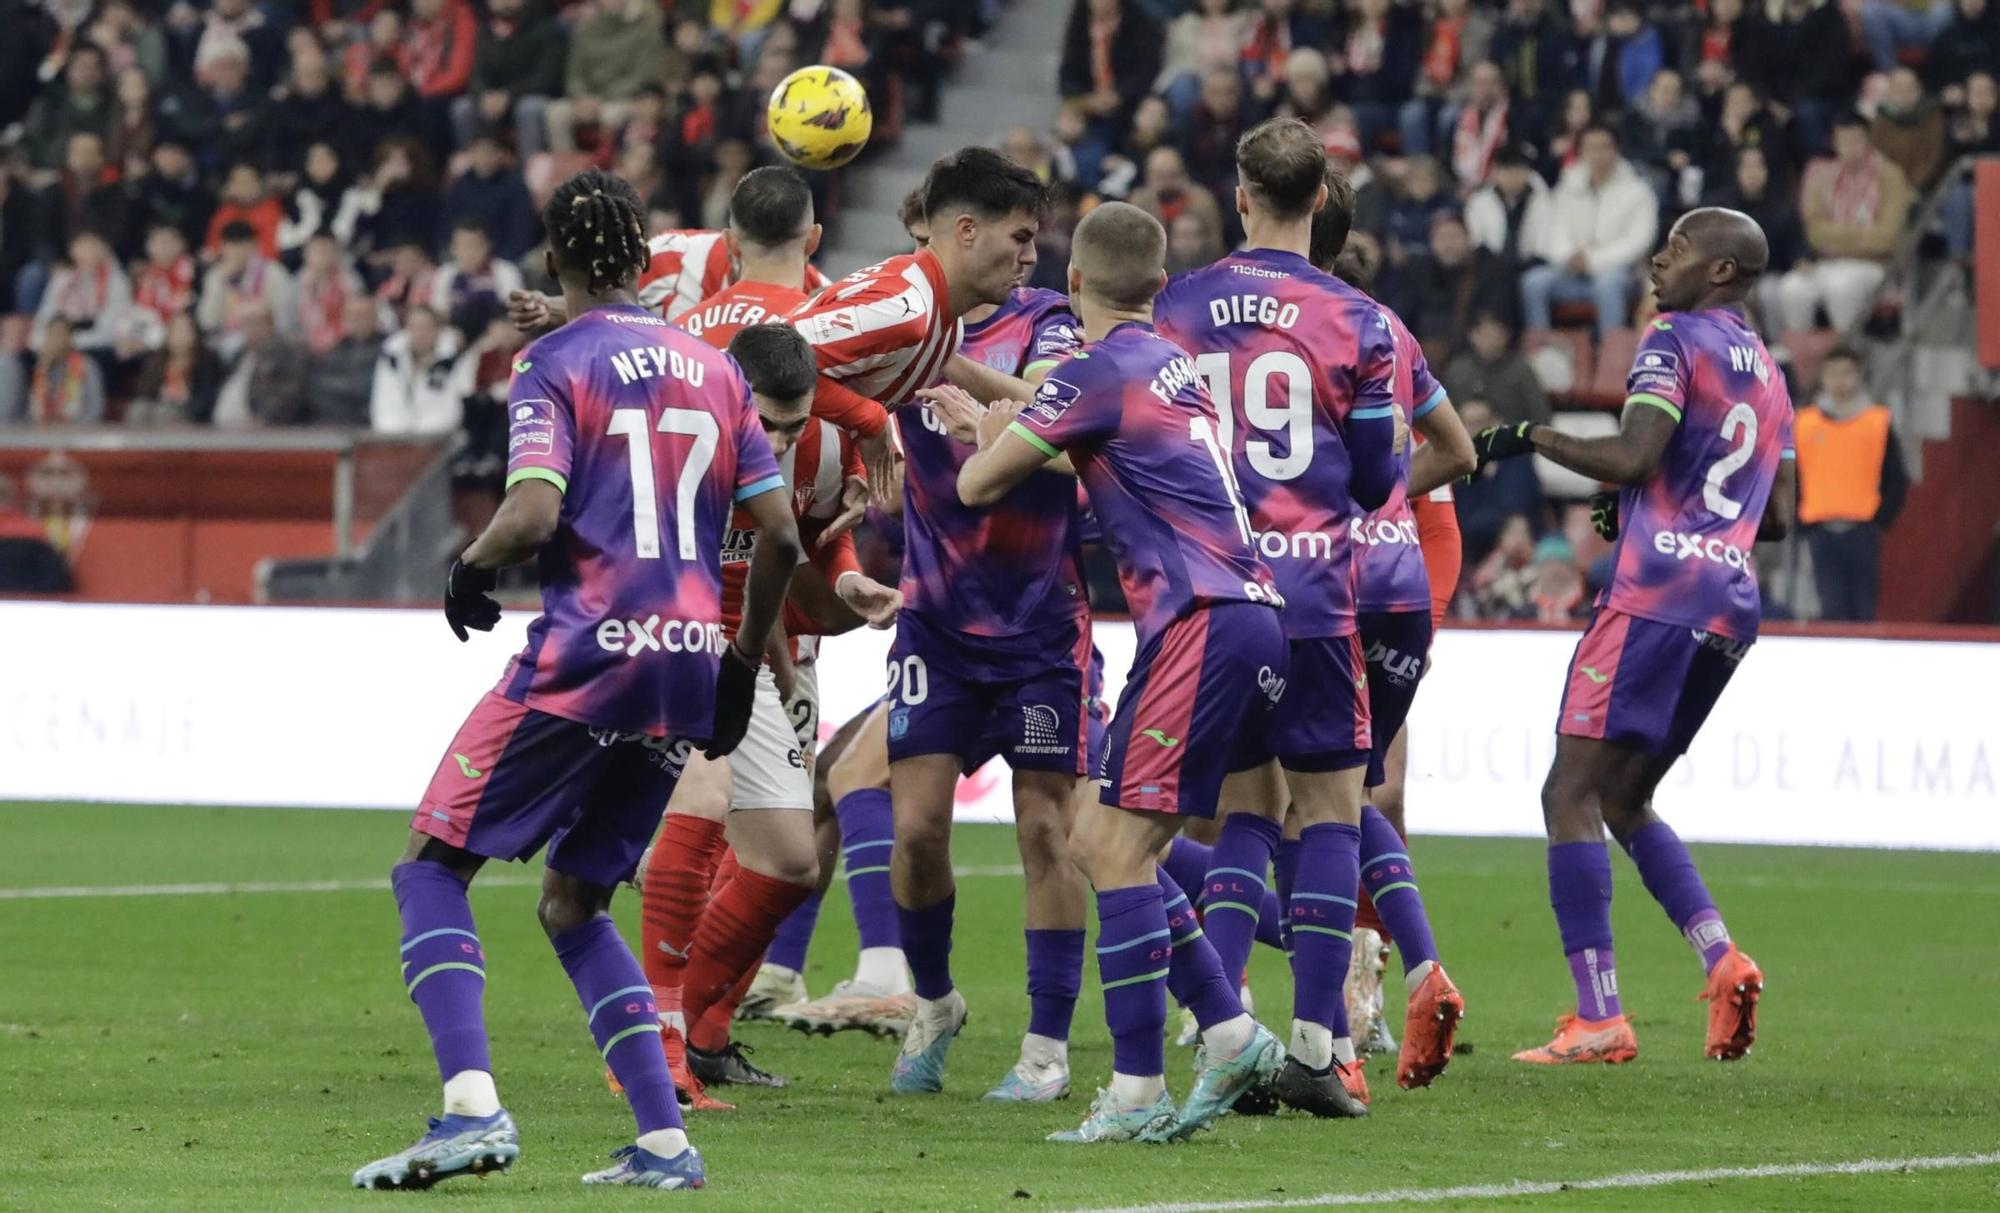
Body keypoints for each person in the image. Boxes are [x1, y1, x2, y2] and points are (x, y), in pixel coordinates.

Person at [350, 168, 802, 1193]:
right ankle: (664, 1141)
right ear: (646, 263)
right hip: (688, 659)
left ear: (553, 261)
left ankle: (469, 1108)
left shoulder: (552, 360)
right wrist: (738, 660)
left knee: (430, 865)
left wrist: (468, 565)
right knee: (573, 900)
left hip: (590, 649)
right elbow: (777, 533)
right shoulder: (716, 369)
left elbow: (533, 513)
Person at [954, 200, 1286, 1144]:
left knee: (1111, 851)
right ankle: (1227, 1030)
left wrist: (981, 427)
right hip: (1251, 617)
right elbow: (1096, 451)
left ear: (1072, 284)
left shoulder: (1096, 371)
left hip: (1199, 622)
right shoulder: (1172, 367)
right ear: (1160, 283)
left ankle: (1138, 1086)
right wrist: (1010, 406)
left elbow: (984, 484)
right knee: (1106, 837)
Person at [1151, 117, 1460, 1117]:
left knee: (1242, 810)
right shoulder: (1360, 321)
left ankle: (1226, 1030)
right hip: (1321, 596)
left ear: (1239, 197)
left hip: (1220, 596)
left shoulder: (1178, 308)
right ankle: (1320, 1047)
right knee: (1329, 810)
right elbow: (1379, 473)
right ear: (1320, 200)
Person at [1466, 206, 1796, 1066]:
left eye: (1678, 247)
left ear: (1719, 271)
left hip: (1654, 598)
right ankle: (1724, 960)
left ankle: (1598, 1013)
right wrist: (1659, 496)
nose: (1657, 259)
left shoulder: (1673, 338)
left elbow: (1636, 455)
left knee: (1565, 793)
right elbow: (1782, 516)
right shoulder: (1769, 370)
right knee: (1624, 798)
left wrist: (1529, 434)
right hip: (1728, 603)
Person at [627, 168, 899, 1107]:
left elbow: (812, 523)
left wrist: (849, 560)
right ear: (815, 235)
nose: (782, 439)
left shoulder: (701, 340)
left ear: (727, 242)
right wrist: (874, 426)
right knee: (702, 795)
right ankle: (659, 1038)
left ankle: (694, 1031)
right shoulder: (837, 332)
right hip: (690, 617)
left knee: (789, 856)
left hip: (770, 626)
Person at [1317, 187, 1479, 1078]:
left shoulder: (1375, 342)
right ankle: (1366, 978)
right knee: (1334, 797)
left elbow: (1441, 507)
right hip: (1356, 592)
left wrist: (1427, 618)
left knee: (1361, 795)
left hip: (1354, 592)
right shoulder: (1376, 335)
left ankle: (1357, 985)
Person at [1796, 347, 1907, 621]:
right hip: (1820, 530)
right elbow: (1791, 476)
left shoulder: (1877, 421)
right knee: (1830, 609)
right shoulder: (1804, 423)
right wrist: (1799, 520)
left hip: (1862, 530)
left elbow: (1896, 478)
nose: (1840, 381)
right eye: (1832, 374)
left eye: (1846, 373)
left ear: (1859, 376)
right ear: (1822, 378)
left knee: (1863, 610)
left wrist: (1880, 518)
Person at [1777, 113, 1911, 333]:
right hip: (1825, 263)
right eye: (1844, 141)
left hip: (1872, 264)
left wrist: (1835, 236)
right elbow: (1813, 232)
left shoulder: (1890, 175)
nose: (1850, 148)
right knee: (1792, 289)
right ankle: (1801, 359)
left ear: (1868, 141)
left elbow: (1887, 238)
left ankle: (1846, 355)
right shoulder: (1820, 173)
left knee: (1841, 288)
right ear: (1834, 143)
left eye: (1856, 140)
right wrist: (1862, 234)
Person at [1521, 124, 1658, 338]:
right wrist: (1567, 256)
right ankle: (1541, 354)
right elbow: (1555, 229)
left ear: (1615, 150)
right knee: (1533, 283)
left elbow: (1639, 241)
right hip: (1572, 271)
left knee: (1608, 285)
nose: (1597, 155)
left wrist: (1593, 260)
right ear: (1581, 152)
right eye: (1591, 148)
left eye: (1604, 147)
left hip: (1621, 274)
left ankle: (1610, 357)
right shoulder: (1568, 186)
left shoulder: (1637, 191)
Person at [370, 303, 471, 435]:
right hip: (394, 438)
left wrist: (422, 437)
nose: (420, 334)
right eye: (414, 327)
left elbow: (450, 410)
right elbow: (383, 403)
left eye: (425, 328)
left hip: (438, 438)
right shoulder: (390, 358)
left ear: (437, 330)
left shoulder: (452, 361)